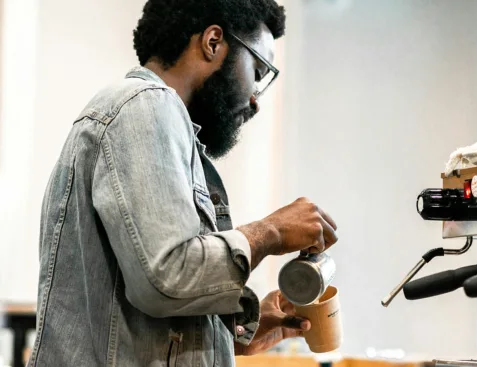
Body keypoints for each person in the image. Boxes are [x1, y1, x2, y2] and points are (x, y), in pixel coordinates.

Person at [28, 0, 339, 366]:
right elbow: (166, 277)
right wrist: (270, 232)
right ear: (212, 42)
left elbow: (151, 296)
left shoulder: (158, 121)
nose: (256, 100)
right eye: (258, 71)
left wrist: (238, 327)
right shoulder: (145, 107)